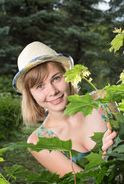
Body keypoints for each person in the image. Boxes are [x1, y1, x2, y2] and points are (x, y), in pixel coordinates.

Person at [13, 41, 117, 177]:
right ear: (30, 94)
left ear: (67, 76)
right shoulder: (39, 142)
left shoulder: (102, 101)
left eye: (56, 78)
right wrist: (109, 159)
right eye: (39, 86)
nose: (52, 91)